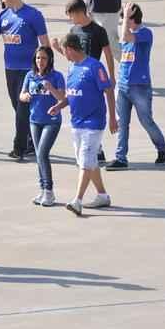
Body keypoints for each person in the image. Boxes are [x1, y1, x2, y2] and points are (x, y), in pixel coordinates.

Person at [0, 0, 49, 161]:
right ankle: (31, 142)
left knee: (22, 109)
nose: (2, 2)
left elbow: (45, 42)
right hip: (10, 69)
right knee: (18, 107)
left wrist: (45, 67)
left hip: (28, 70)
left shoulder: (33, 15)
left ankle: (18, 148)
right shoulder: (4, 15)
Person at [106, 4, 165, 170]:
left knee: (146, 120)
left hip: (139, 86)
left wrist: (126, 17)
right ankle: (121, 157)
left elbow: (126, 36)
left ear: (132, 19)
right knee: (123, 123)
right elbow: (124, 41)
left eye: (125, 20)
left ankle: (162, 147)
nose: (122, 23)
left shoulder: (145, 33)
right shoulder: (129, 34)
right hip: (124, 84)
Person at [61, 33, 117, 216]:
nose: (65, 55)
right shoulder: (72, 69)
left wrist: (112, 118)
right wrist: (59, 105)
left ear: (70, 48)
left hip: (93, 123)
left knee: (85, 161)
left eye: (64, 51)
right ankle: (102, 195)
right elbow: (72, 94)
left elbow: (108, 90)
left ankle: (77, 200)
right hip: (76, 122)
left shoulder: (95, 66)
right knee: (87, 161)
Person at [19, 46, 65, 207]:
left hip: (51, 121)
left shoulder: (56, 76)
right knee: (39, 155)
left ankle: (49, 191)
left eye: (44, 58)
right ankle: (43, 190)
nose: (40, 61)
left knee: (43, 153)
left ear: (50, 60)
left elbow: (62, 98)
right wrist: (25, 96)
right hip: (34, 120)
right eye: (38, 58)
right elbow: (22, 94)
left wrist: (50, 87)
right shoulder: (30, 75)